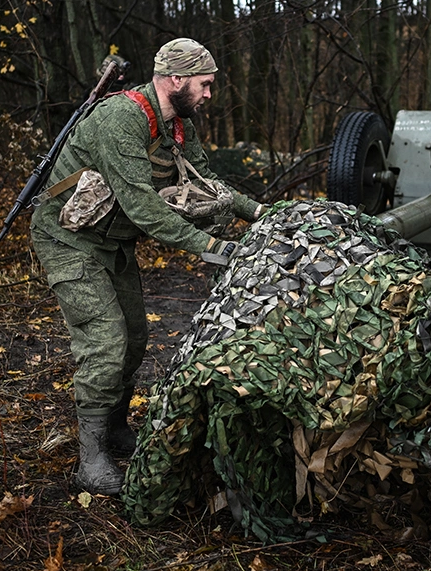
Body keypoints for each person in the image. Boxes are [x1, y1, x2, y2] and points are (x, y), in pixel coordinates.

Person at [30, 38, 263, 495]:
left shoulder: (179, 126)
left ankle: (115, 429)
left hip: (112, 244)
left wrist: (259, 215)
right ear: (176, 79)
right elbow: (142, 206)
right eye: (205, 84)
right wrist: (210, 246)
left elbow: (207, 187)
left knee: (135, 337)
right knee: (106, 341)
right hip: (69, 240)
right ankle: (91, 458)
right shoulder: (122, 119)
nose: (210, 93)